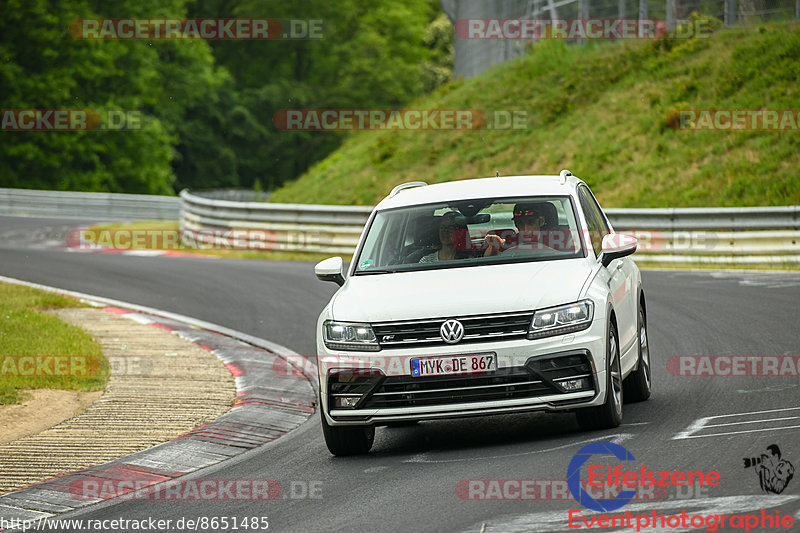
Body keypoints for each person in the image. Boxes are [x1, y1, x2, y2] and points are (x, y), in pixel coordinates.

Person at [484, 202, 550, 257]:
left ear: (541, 222)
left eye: (531, 223)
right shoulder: (510, 241)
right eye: (520, 223)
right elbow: (487, 259)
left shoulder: (554, 240)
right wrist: (494, 246)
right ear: (516, 224)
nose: (525, 229)